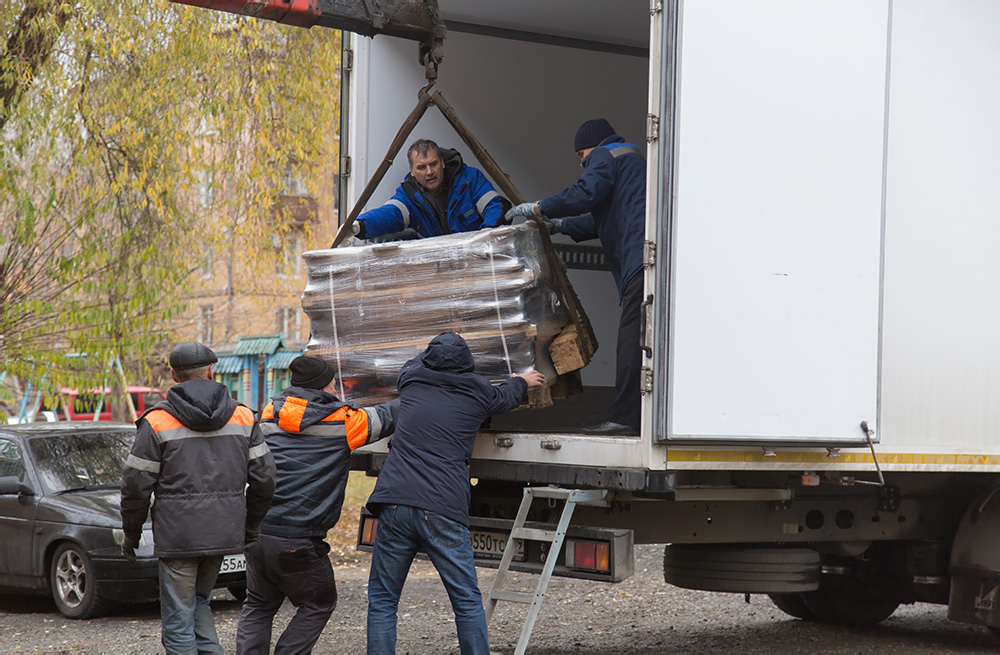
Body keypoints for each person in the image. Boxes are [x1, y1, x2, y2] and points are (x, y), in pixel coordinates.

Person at [365, 332, 545, 655]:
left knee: (382, 601)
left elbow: (416, 362)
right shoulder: (478, 392)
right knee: (466, 601)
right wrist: (521, 379)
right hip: (442, 507)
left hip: (394, 502)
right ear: (468, 364)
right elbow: (505, 397)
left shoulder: (410, 380)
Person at [236, 356, 400, 655]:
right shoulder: (345, 420)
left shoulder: (270, 413)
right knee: (318, 602)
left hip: (259, 533)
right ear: (328, 384)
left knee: (258, 604)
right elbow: (389, 415)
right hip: (298, 539)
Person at [120, 341, 276, 655]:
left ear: (175, 377)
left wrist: (132, 533)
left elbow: (136, 486)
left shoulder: (157, 422)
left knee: (178, 620)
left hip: (178, 537)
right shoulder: (244, 417)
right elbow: (265, 480)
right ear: (211, 371)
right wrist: (250, 527)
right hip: (222, 532)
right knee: (200, 603)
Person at [505, 118, 646, 435]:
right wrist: (559, 227)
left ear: (590, 147)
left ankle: (624, 418)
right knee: (639, 343)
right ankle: (635, 415)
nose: (584, 165)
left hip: (638, 264)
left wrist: (539, 208)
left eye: (582, 157)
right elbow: (597, 223)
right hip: (644, 264)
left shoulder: (607, 154)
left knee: (628, 345)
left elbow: (585, 193)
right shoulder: (629, 162)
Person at [351, 139, 508, 240]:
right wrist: (358, 225)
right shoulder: (409, 196)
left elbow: (496, 206)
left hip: (478, 262)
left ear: (442, 163)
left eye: (433, 164)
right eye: (421, 167)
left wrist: (485, 235)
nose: (429, 172)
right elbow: (389, 214)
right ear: (412, 171)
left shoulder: (470, 179)